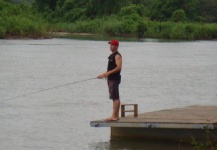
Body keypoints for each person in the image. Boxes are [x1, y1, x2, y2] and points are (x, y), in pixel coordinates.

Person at [98, 39, 122, 121]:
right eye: (110, 45)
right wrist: (103, 74)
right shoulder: (112, 55)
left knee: (115, 97)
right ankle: (115, 115)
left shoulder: (117, 56)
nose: (110, 46)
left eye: (112, 45)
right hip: (111, 78)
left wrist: (108, 73)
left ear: (116, 46)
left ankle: (115, 116)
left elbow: (119, 67)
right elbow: (110, 69)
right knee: (113, 97)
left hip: (114, 79)